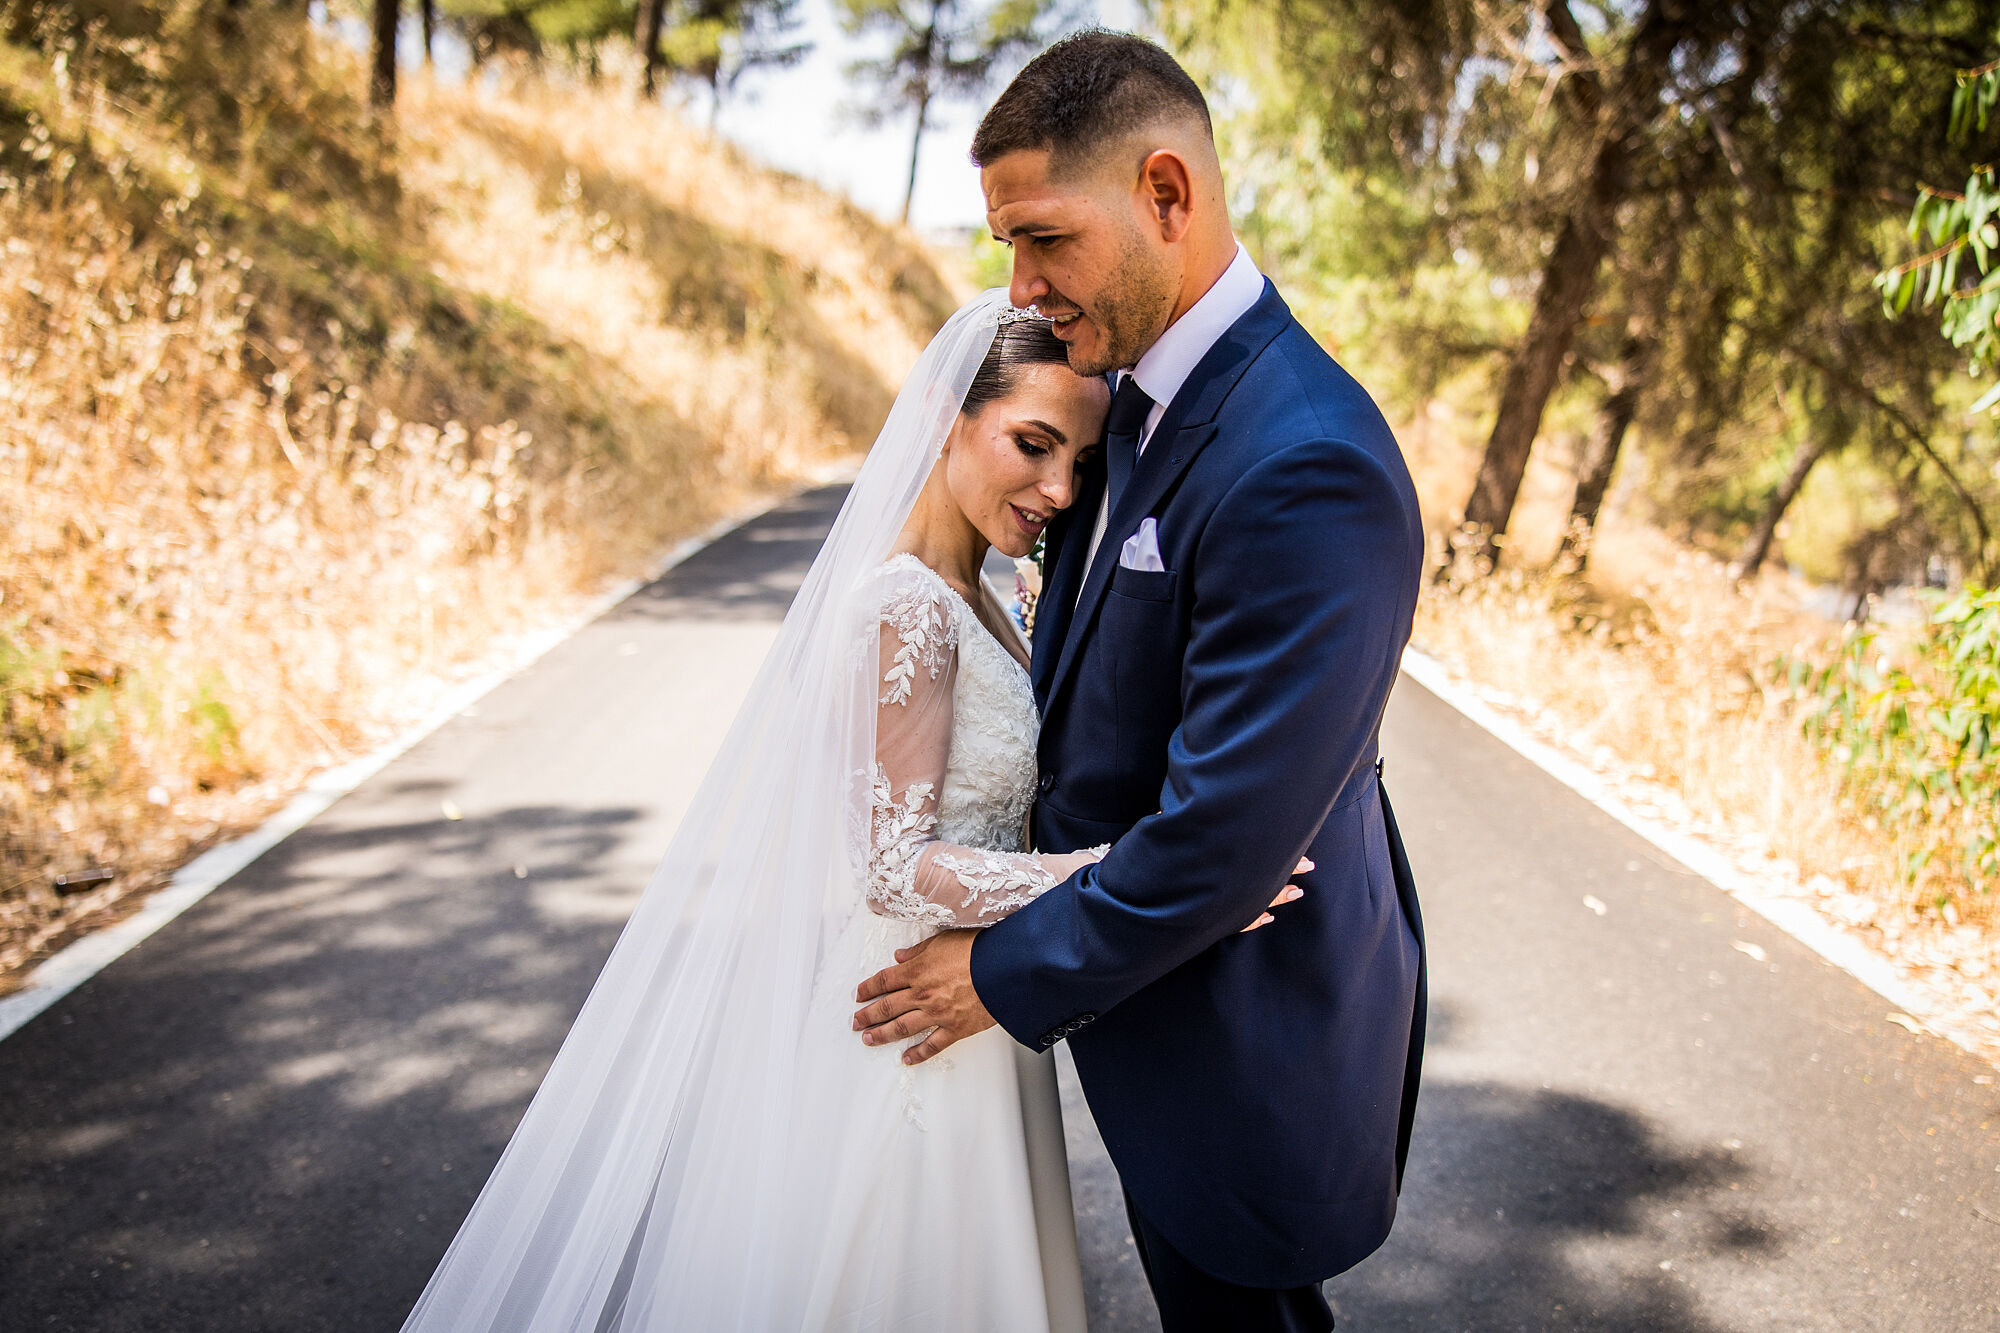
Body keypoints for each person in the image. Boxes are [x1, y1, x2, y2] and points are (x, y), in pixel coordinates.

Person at [398, 298, 1304, 1332]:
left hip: (978, 1011)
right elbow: (891, 864)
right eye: (1032, 444)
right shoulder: (905, 603)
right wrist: (1136, 874)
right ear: (944, 418)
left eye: (1080, 462)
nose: (1059, 488)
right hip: (917, 1020)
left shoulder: (986, 594)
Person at [851, 31, 1429, 1333]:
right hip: (1142, 1002)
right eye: (1005, 242)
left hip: (1243, 1038)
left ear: (1165, 193)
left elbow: (1227, 839)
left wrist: (999, 972)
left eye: (1043, 238)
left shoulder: (1304, 461)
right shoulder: (1118, 400)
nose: (1019, 285)